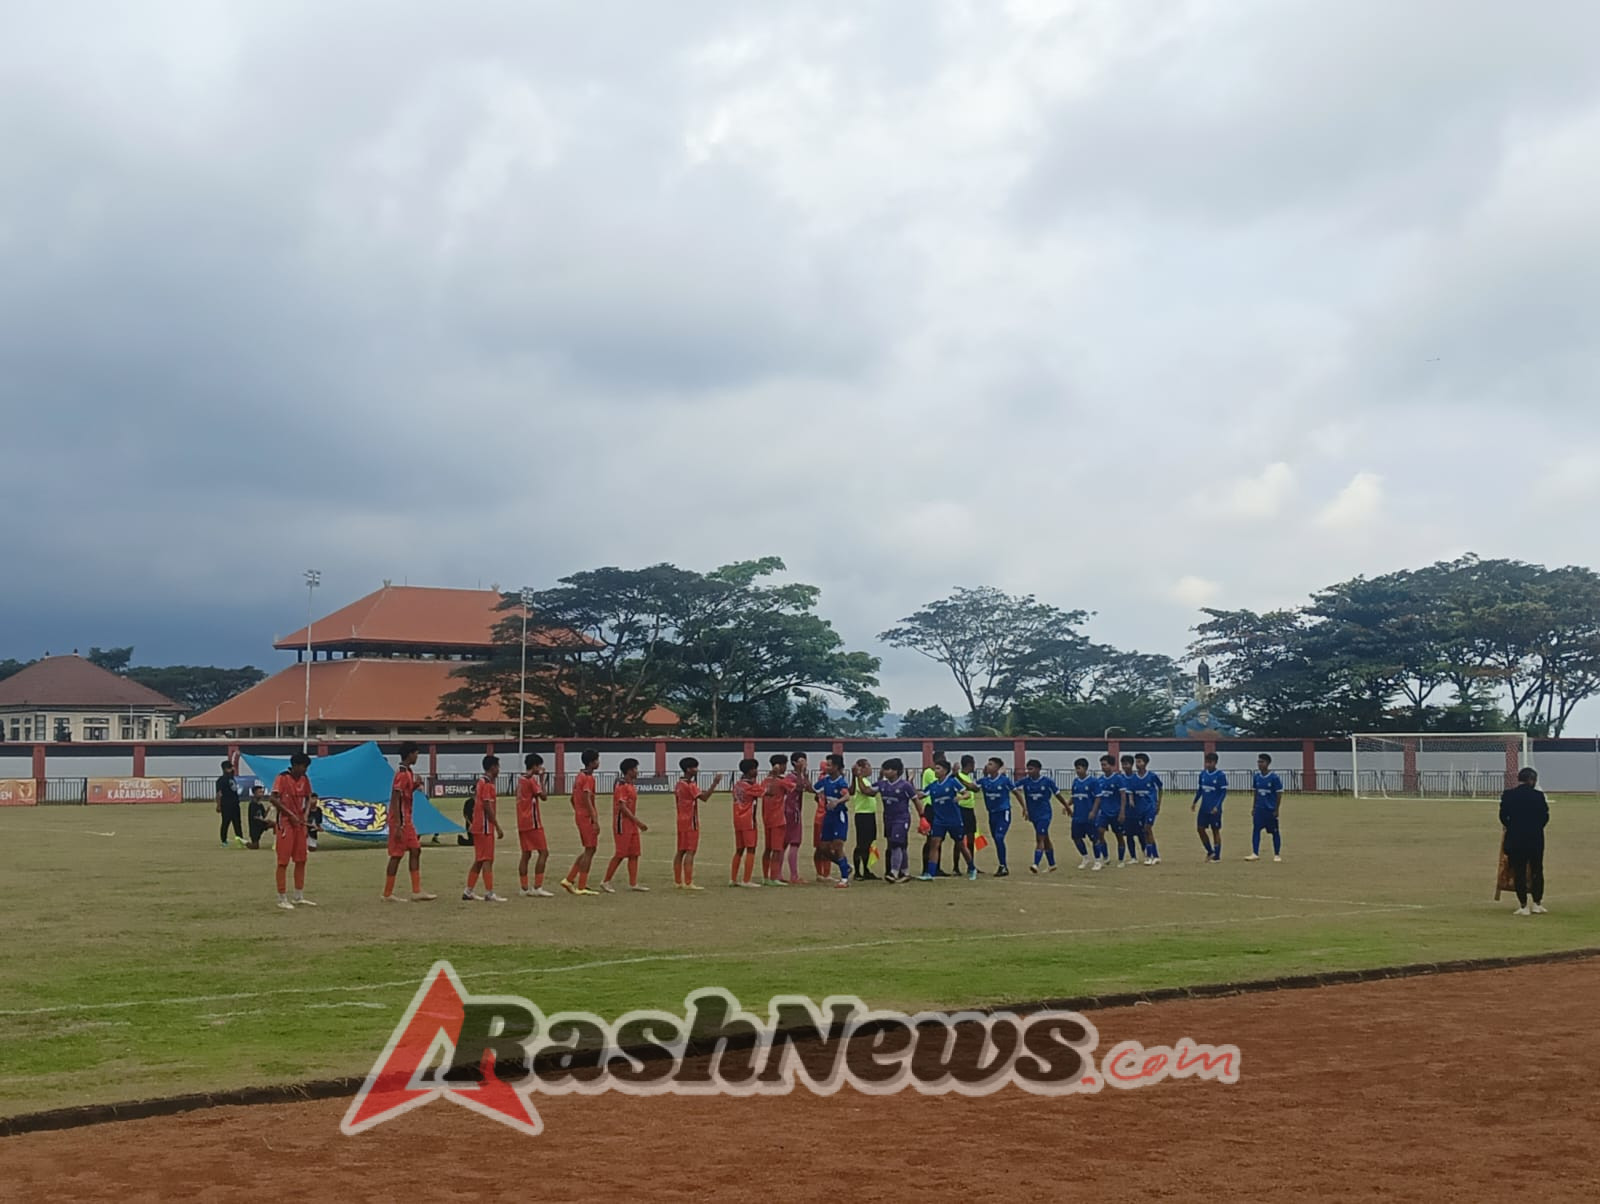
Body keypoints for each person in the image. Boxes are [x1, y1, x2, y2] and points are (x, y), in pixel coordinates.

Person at [383, 741, 436, 902]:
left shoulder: (408, 772)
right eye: (416, 753)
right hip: (400, 820)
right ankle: (387, 894)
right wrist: (398, 824)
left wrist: (414, 785)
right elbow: (395, 798)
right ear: (410, 754)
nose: (417, 756)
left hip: (407, 819)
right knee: (397, 855)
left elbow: (405, 793)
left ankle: (416, 890)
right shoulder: (400, 773)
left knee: (415, 850)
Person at [853, 758, 919, 882]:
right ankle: (905, 872)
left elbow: (916, 800)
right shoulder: (882, 784)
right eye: (884, 768)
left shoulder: (905, 785)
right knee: (900, 845)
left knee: (895, 843)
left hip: (902, 818)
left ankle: (893, 872)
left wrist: (923, 817)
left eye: (888, 769)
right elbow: (867, 791)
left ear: (896, 771)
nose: (885, 771)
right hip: (888, 818)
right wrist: (859, 777)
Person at [1499, 767, 1550, 916]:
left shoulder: (1508, 795)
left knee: (1519, 872)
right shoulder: (1538, 796)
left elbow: (1503, 816)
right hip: (1535, 839)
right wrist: (1535, 828)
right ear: (1532, 780)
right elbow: (1545, 817)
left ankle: (1523, 905)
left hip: (1515, 839)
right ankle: (1537, 903)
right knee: (1537, 870)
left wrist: (1512, 827)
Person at [269, 752, 315, 910]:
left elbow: (309, 797)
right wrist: (290, 814)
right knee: (283, 861)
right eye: (303, 766)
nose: (305, 770)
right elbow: (273, 798)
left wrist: (306, 814)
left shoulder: (305, 779)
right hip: (285, 823)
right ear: (295, 765)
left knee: (301, 859)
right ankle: (282, 897)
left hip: (300, 824)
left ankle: (298, 895)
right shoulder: (282, 778)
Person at [600, 758, 650, 893]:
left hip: (631, 824)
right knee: (620, 853)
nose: (637, 772)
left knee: (634, 853)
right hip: (622, 824)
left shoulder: (631, 785)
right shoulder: (621, 786)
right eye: (635, 769)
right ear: (629, 771)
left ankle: (633, 883)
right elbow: (622, 807)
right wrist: (638, 822)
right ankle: (605, 881)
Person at [917, 761, 972, 881]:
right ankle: (930, 873)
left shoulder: (952, 782)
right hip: (939, 821)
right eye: (935, 768)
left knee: (961, 845)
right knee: (934, 844)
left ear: (945, 771)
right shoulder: (933, 785)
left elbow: (967, 793)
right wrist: (909, 783)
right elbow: (920, 795)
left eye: (938, 768)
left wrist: (960, 797)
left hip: (954, 820)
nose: (935, 771)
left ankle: (972, 868)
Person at [673, 757, 722, 891]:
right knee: (690, 851)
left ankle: (678, 881)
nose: (697, 770)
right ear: (688, 769)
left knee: (680, 851)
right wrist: (715, 783)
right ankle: (688, 882)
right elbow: (704, 797)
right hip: (690, 821)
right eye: (695, 767)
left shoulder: (679, 784)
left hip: (681, 820)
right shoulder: (690, 785)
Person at [463, 755, 507, 902]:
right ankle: (489, 892)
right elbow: (487, 806)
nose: (499, 770)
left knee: (480, 860)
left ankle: (468, 891)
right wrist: (497, 826)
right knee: (487, 859)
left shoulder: (481, 782)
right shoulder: (487, 784)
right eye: (498, 767)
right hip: (484, 827)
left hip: (479, 826)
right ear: (493, 767)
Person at [560, 750, 603, 896]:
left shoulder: (579, 776)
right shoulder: (588, 778)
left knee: (588, 849)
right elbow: (587, 799)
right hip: (587, 817)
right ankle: (581, 885)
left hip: (580, 816)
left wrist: (578, 811)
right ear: (591, 762)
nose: (598, 763)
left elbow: (572, 799)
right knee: (590, 849)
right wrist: (594, 819)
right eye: (597, 760)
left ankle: (570, 879)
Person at [516, 753, 554, 898]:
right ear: (535, 766)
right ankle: (537, 886)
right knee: (544, 852)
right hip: (533, 822)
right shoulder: (531, 780)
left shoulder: (520, 779)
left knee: (526, 854)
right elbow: (544, 796)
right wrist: (542, 778)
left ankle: (524, 888)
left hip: (522, 821)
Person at [1017, 760, 1065, 873]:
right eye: (1027, 769)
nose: (1028, 771)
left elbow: (1058, 795)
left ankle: (1035, 864)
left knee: (1040, 838)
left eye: (1031, 769)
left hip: (1045, 814)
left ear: (1038, 769)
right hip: (1033, 815)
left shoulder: (1047, 782)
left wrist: (1066, 806)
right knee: (1045, 838)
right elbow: (1011, 787)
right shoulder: (1025, 781)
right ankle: (1052, 864)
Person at [816, 753, 854, 889]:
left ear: (836, 767)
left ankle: (844, 879)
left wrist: (837, 801)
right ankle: (845, 866)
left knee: (838, 846)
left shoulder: (840, 781)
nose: (826, 767)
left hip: (839, 816)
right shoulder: (825, 781)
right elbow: (812, 788)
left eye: (829, 765)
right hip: (828, 817)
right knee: (823, 848)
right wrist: (801, 774)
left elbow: (847, 796)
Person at [976, 757, 1016, 877]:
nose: (987, 766)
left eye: (991, 764)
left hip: (1003, 812)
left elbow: (1016, 792)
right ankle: (1001, 865)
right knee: (996, 839)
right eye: (987, 764)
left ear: (997, 768)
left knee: (999, 837)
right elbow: (972, 788)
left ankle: (1003, 866)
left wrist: (1025, 808)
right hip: (991, 814)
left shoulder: (1004, 780)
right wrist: (957, 777)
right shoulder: (984, 781)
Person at [731, 758, 763, 888]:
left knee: (739, 849)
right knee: (751, 848)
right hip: (748, 820)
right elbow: (765, 792)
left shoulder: (738, 784)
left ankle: (733, 878)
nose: (756, 771)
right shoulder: (751, 786)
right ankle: (746, 879)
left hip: (737, 819)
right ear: (750, 771)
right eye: (755, 769)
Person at [783, 751, 814, 885]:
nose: (804, 763)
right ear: (795, 763)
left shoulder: (798, 775)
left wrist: (804, 774)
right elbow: (800, 787)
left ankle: (777, 873)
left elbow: (810, 788)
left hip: (793, 811)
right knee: (794, 842)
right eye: (802, 761)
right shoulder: (791, 777)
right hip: (791, 812)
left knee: (785, 842)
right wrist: (801, 773)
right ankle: (793, 875)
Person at [1246, 754, 1284, 862]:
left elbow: (1279, 794)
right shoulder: (1257, 777)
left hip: (1270, 810)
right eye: (1258, 762)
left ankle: (1277, 854)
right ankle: (1255, 853)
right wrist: (1254, 807)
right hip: (1259, 809)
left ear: (1267, 763)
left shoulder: (1274, 777)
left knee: (1275, 832)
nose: (1259, 764)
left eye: (1262, 762)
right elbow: (1256, 793)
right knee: (1256, 830)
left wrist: (1276, 809)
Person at [1192, 751, 1227, 862]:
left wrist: (1217, 806)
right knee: (1200, 829)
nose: (1208, 764)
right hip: (1204, 808)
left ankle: (1217, 855)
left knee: (1215, 830)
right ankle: (1209, 851)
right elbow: (1200, 790)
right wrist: (1194, 802)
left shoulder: (1220, 775)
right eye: (1206, 762)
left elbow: (1223, 793)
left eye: (1210, 762)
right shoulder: (1203, 774)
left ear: (1215, 763)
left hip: (1214, 809)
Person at [761, 754, 790, 887]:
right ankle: (774, 877)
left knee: (768, 849)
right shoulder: (781, 781)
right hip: (778, 819)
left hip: (766, 818)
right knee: (777, 849)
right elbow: (796, 787)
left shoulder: (765, 781)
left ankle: (765, 876)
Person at [950, 754, 980, 876]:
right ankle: (956, 867)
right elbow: (971, 788)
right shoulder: (959, 777)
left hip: (969, 809)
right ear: (969, 764)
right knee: (959, 839)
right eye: (973, 764)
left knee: (971, 839)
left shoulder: (967, 777)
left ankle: (970, 865)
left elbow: (976, 788)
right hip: (961, 810)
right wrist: (956, 775)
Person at [852, 755, 881, 882]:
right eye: (868, 766)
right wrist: (857, 775)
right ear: (862, 769)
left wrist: (880, 779)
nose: (870, 769)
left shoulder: (866, 781)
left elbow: (873, 787)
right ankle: (858, 872)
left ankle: (867, 870)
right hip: (862, 815)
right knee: (861, 844)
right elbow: (868, 792)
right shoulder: (860, 781)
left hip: (870, 814)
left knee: (869, 843)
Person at [1090, 754, 1122, 868]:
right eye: (1101, 765)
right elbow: (1097, 796)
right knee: (1099, 833)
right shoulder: (1100, 780)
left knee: (1119, 836)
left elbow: (1123, 796)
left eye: (1105, 765)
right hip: (1103, 812)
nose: (1103, 767)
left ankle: (1121, 859)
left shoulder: (1118, 778)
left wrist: (1122, 811)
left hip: (1116, 812)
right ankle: (1105, 856)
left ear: (1112, 766)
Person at [1129, 752, 1162, 865]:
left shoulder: (1152, 776)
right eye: (1136, 762)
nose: (1137, 764)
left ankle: (1149, 856)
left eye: (1140, 761)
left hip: (1150, 807)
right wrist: (1131, 800)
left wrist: (1158, 804)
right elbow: (1131, 791)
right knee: (1145, 831)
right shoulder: (1133, 777)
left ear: (1145, 763)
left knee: (1147, 828)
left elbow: (1160, 788)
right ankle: (1156, 855)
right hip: (1139, 809)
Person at [1067, 758, 1098, 869]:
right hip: (1077, 815)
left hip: (1089, 815)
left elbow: (1098, 798)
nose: (1077, 770)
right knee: (1076, 837)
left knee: (1094, 838)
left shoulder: (1093, 781)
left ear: (1085, 768)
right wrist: (1067, 805)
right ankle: (1085, 857)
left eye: (1079, 768)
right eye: (1076, 768)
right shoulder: (1075, 781)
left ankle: (1098, 860)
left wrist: (1093, 811)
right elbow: (1074, 796)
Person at [216, 760, 244, 848]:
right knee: (226, 823)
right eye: (230, 768)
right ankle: (224, 841)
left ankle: (240, 840)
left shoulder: (232, 778)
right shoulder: (221, 780)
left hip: (235, 804)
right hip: (226, 805)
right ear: (225, 769)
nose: (232, 769)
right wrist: (218, 805)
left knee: (237, 823)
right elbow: (219, 794)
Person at [246, 785, 272, 849]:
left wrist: (268, 810)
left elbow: (263, 815)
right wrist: (264, 821)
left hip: (261, 824)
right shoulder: (252, 804)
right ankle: (245, 843)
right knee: (255, 846)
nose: (262, 794)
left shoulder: (260, 804)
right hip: (255, 827)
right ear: (254, 793)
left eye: (262, 792)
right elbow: (254, 817)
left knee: (274, 824)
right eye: (259, 792)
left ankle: (277, 842)